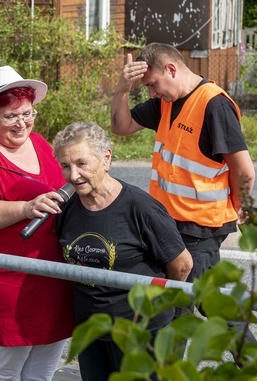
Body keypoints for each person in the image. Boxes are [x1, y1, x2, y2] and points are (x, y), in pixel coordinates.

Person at [0, 66, 73, 381]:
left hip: (52, 276)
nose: (22, 122)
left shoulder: (40, 143)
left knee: (43, 371)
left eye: (28, 113)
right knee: (4, 373)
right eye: (11, 116)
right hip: (9, 281)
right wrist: (26, 207)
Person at [53, 121, 192, 379]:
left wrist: (157, 312)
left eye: (82, 163)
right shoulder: (67, 208)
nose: (73, 175)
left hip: (139, 334)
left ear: (106, 158)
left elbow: (182, 265)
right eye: (65, 166)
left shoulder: (140, 208)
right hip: (91, 332)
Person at [110, 43, 255, 282]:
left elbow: (245, 172)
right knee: (210, 298)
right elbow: (120, 126)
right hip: (172, 221)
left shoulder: (214, 104)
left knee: (177, 304)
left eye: (152, 84)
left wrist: (237, 206)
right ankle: (236, 321)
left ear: (171, 69)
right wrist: (122, 90)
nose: (152, 93)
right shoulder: (165, 102)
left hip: (199, 227)